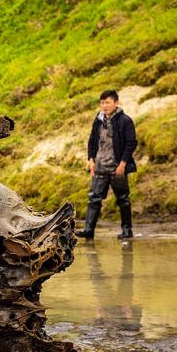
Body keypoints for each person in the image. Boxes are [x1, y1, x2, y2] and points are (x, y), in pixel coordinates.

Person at [75, 89, 137, 240]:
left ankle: (127, 230)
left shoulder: (125, 121)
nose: (104, 106)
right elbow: (92, 141)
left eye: (107, 102)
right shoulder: (98, 120)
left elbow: (131, 143)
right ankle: (89, 230)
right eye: (102, 103)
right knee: (94, 198)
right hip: (100, 166)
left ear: (116, 103)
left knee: (123, 199)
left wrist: (123, 164)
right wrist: (91, 160)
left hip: (117, 167)